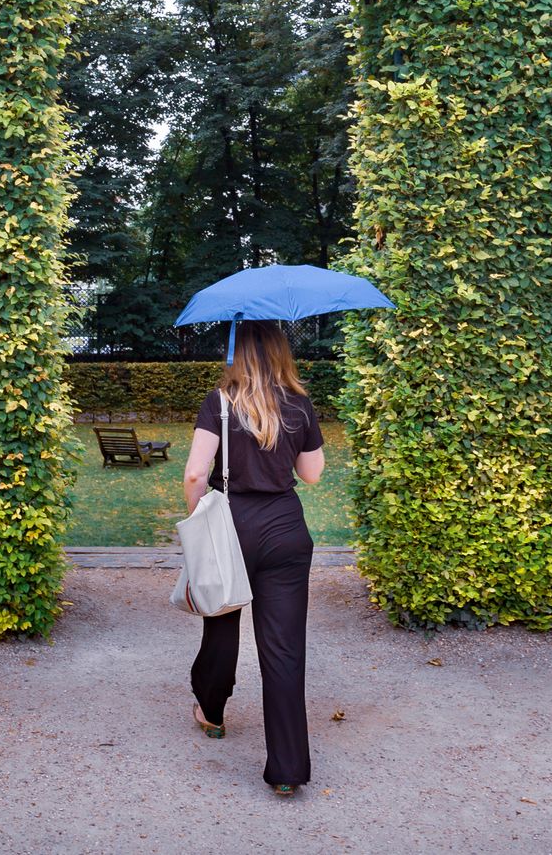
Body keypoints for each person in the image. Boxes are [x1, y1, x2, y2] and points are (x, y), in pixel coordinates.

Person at [182, 319, 326, 796]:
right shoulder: (299, 404)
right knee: (284, 649)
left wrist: (199, 522)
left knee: (221, 621)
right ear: (282, 352)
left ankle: (212, 712)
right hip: (285, 529)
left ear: (237, 354)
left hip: (232, 524)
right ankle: (287, 770)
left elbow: (195, 474)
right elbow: (312, 474)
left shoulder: (219, 402)